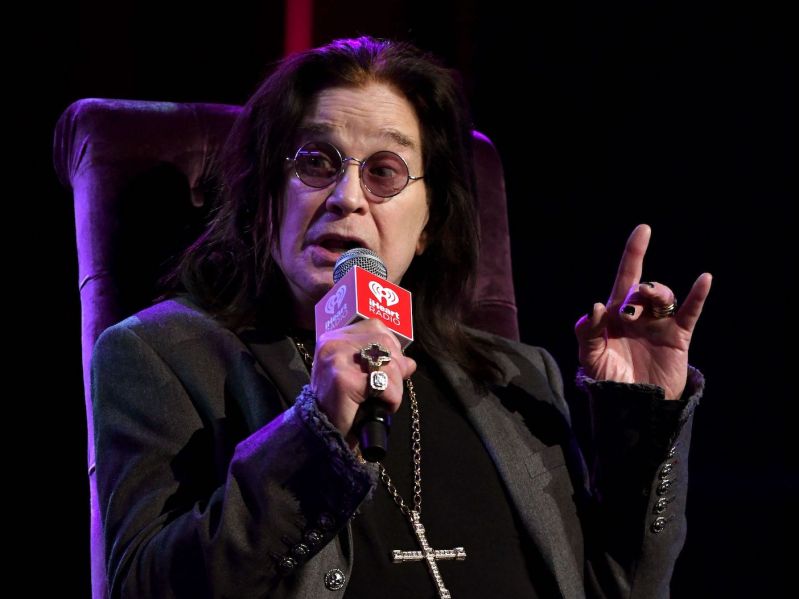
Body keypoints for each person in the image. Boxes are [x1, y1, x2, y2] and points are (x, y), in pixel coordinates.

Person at [91, 36, 712, 598]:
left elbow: (628, 588)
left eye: (384, 172)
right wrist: (316, 433)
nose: (347, 197)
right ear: (266, 200)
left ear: (427, 226)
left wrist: (642, 422)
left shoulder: (517, 376)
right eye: (316, 162)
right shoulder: (164, 355)